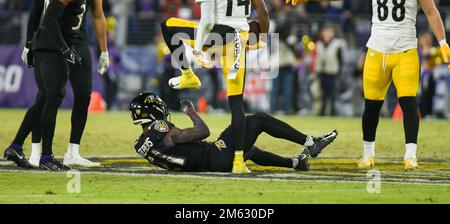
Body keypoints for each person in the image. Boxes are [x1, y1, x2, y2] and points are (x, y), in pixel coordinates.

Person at [284, 0, 450, 170]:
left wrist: (442, 41)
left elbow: (432, 13)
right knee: (371, 105)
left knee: (409, 103)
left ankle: (410, 154)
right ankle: (368, 154)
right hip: (377, 50)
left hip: (405, 50)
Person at [160, 0, 269, 173]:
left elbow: (207, 21)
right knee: (236, 104)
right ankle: (239, 162)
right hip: (240, 38)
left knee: (168, 26)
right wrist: (263, 39)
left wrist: (198, 51)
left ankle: (187, 75)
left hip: (219, 35)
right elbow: (262, 10)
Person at [4, 0, 98, 171]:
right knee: (53, 97)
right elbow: (50, 19)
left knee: (45, 98)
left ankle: (16, 146)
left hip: (47, 45)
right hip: (51, 47)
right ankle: (45, 155)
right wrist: (65, 50)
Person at [131, 92, 338, 172]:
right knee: (259, 120)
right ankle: (310, 142)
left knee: (249, 149)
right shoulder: (161, 130)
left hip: (207, 164)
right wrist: (190, 110)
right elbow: (203, 131)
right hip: (214, 157)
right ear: (153, 111)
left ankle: (296, 163)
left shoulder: (141, 145)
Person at [314, 24, 344, 116]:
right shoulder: (319, 44)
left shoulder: (337, 44)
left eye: (329, 31)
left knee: (332, 95)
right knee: (322, 95)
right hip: (322, 73)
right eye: (325, 31)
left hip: (332, 73)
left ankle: (333, 113)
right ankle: (321, 113)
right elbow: (317, 59)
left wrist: (339, 72)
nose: (327, 34)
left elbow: (340, 60)